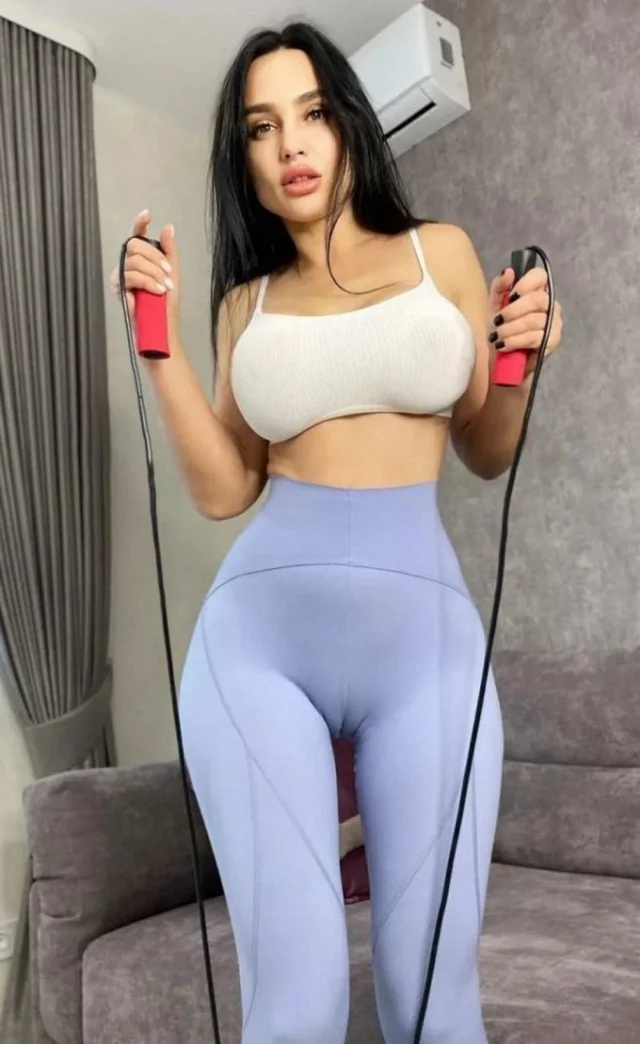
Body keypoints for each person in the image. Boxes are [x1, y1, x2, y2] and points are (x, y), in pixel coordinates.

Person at [110, 20, 563, 1044]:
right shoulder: (247, 303)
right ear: (243, 159)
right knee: (299, 1003)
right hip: (260, 647)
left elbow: (486, 449)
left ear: (349, 122)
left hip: (425, 651)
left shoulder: (441, 254)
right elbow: (227, 488)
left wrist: (518, 364)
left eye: (311, 112)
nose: (291, 144)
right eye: (261, 126)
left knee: (432, 999)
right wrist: (158, 350)